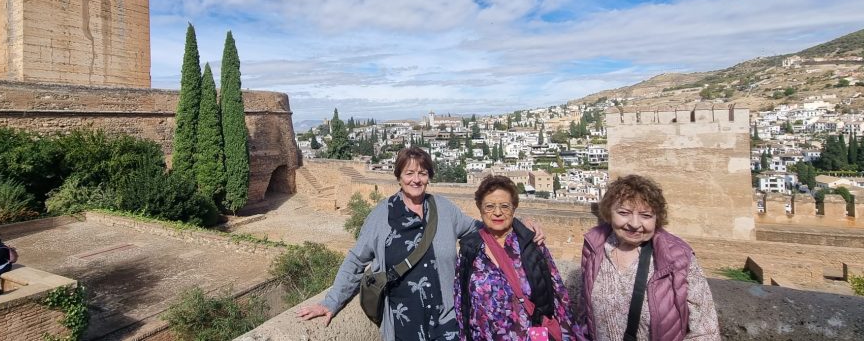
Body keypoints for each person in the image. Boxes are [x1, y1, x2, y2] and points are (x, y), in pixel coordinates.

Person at [298, 147, 544, 340]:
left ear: (429, 177)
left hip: (447, 322)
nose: (416, 179)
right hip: (403, 324)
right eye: (409, 173)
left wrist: (520, 226)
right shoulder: (381, 215)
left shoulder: (444, 209)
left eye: (422, 173)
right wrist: (330, 302)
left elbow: (481, 228)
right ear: (399, 177)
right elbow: (356, 260)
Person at [579, 174, 720, 341]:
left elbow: (706, 331)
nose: (635, 224)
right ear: (609, 213)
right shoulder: (594, 248)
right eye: (624, 213)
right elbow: (585, 313)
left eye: (646, 216)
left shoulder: (678, 258)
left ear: (657, 218)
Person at [455, 175, 582, 341]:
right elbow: (461, 301)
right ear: (480, 208)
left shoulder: (531, 244)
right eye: (490, 206)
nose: (498, 212)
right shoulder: (469, 250)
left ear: (514, 208)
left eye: (505, 206)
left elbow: (559, 295)